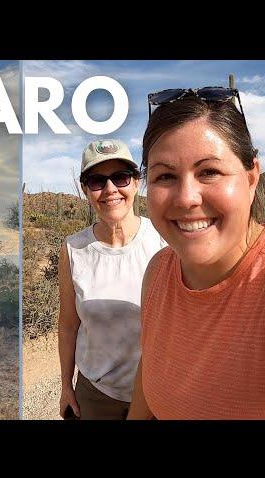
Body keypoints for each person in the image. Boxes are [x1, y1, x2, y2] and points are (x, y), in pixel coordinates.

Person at [127, 86, 265, 419]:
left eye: (209, 172)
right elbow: (152, 366)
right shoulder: (158, 271)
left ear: (251, 179)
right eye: (165, 176)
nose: (187, 197)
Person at [58, 139, 167, 420]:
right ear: (85, 190)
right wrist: (65, 387)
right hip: (95, 395)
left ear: (136, 183)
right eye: (96, 181)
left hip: (158, 393)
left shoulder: (163, 241)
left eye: (120, 177)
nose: (110, 190)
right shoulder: (73, 249)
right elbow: (69, 325)